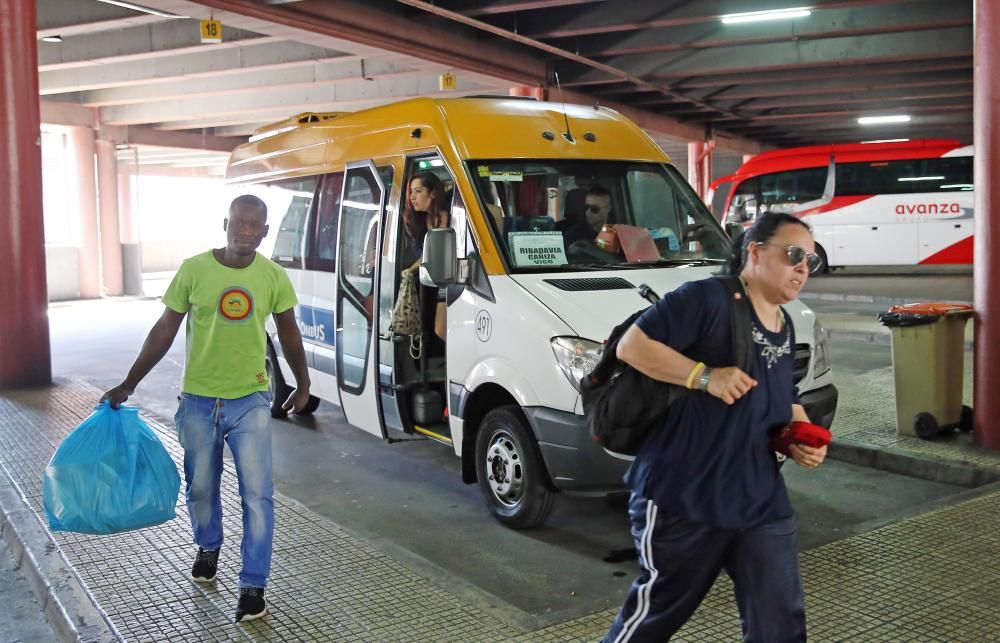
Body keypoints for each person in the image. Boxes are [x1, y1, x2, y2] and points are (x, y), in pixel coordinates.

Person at [601, 212, 827, 643]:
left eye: (810, 261)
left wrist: (799, 434)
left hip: (758, 497)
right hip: (684, 495)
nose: (803, 268)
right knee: (655, 617)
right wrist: (704, 376)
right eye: (794, 254)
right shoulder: (706, 299)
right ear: (755, 252)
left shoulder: (785, 320)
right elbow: (632, 345)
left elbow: (784, 393)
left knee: (779, 621)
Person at [99, 195, 310, 623]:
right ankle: (209, 544)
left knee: (258, 495)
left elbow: (288, 333)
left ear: (266, 232)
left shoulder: (273, 277)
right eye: (239, 223)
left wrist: (304, 383)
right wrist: (129, 382)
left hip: (250, 400)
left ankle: (253, 585)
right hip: (198, 400)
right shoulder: (194, 270)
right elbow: (164, 329)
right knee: (201, 487)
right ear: (225, 223)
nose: (246, 231)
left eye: (256, 226)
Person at [401, 171, 450, 345]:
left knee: (441, 329)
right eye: (411, 192)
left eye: (418, 191)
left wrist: (411, 269)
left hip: (447, 280)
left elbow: (433, 253)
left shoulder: (442, 218)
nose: (413, 197)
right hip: (434, 281)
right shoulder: (424, 220)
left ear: (433, 193)